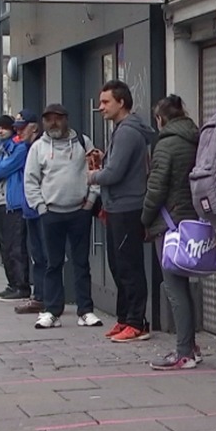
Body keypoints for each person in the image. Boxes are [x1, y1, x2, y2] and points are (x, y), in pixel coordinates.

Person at [89, 79, 157, 342]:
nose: (100, 107)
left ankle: (136, 322)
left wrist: (93, 176)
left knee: (129, 267)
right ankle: (124, 318)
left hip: (128, 208)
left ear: (121, 102)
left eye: (106, 102)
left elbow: (115, 173)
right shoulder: (122, 129)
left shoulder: (128, 131)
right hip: (116, 206)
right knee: (118, 266)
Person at [24, 104, 104, 329]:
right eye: (48, 119)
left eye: (57, 119)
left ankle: (85, 311)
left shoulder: (83, 143)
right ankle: (51, 311)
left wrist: (90, 202)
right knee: (53, 264)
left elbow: (95, 171)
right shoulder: (38, 147)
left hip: (79, 212)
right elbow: (30, 180)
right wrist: (40, 207)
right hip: (51, 213)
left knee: (81, 263)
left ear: (66, 119)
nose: (53, 123)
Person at [141, 95, 201, 368]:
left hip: (169, 224)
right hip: (190, 220)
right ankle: (191, 347)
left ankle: (183, 352)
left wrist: (145, 219)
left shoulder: (166, 144)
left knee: (174, 288)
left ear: (160, 119)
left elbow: (156, 188)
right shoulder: (195, 138)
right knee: (184, 285)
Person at [0, 114, 32, 301]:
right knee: (5, 246)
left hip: (15, 203)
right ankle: (11, 283)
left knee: (16, 247)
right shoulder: (3, 149)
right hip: (1, 202)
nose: (0, 131)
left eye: (3, 128)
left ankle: (22, 286)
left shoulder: (20, 148)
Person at [12, 111, 48, 315]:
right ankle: (40, 296)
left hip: (42, 209)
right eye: (16, 128)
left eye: (22, 127)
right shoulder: (24, 148)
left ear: (34, 127)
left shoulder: (40, 148)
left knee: (46, 255)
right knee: (37, 256)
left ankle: (46, 297)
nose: (18, 132)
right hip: (29, 210)